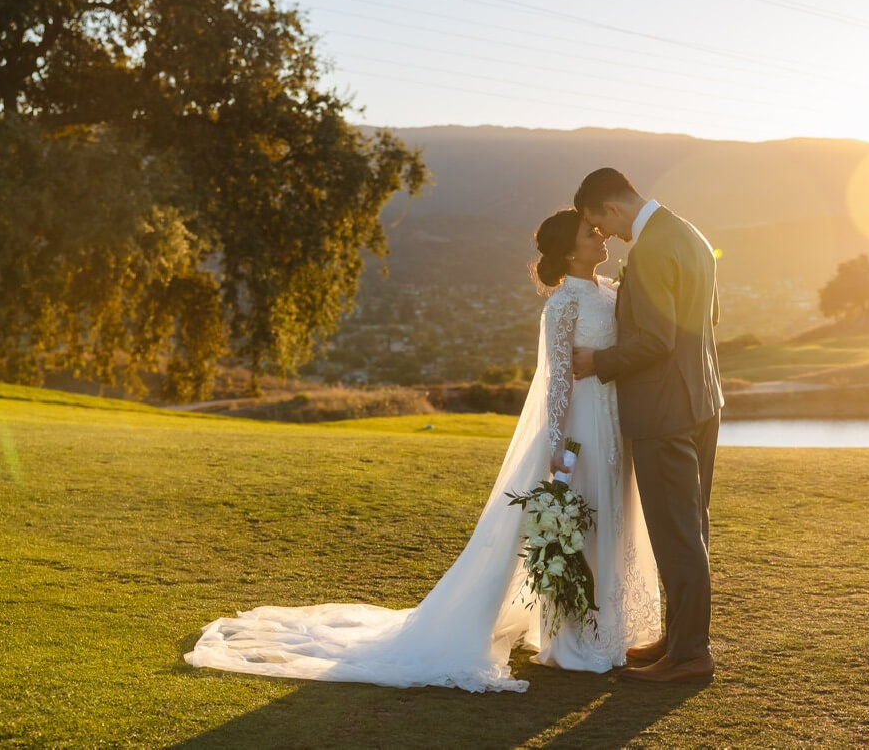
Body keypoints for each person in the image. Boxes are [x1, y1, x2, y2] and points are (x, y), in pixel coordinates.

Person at [183, 208, 659, 692]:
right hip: (581, 429)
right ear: (568, 249)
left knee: (613, 517)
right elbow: (557, 379)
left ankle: (615, 629)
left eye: (597, 229)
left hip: (615, 424)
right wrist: (556, 447)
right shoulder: (563, 306)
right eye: (589, 232)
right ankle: (577, 641)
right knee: (580, 525)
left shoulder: (610, 292)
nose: (600, 236)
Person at [572, 167, 723, 684]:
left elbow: (657, 339)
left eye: (600, 223)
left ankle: (690, 656)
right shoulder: (691, 234)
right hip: (702, 401)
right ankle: (680, 640)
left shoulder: (653, 247)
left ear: (612, 208)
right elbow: (706, 321)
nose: (605, 235)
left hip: (665, 412)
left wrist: (599, 362)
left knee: (678, 534)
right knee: (690, 527)